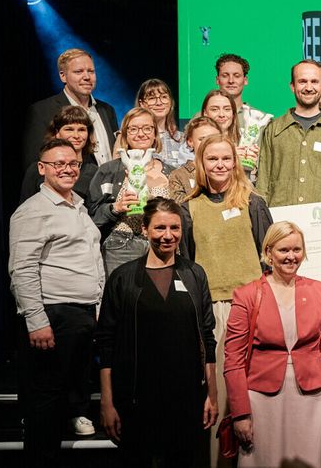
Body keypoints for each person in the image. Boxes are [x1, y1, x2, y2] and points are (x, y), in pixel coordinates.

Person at [96, 197, 217, 467]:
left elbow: (207, 337)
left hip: (185, 398)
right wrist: (108, 402)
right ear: (145, 230)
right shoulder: (123, 278)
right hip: (137, 399)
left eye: (174, 228)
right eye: (160, 228)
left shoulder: (195, 275)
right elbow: (106, 344)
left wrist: (212, 395)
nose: (167, 236)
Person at [9, 138, 105, 465]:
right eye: (58, 164)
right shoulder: (34, 210)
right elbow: (21, 269)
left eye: (73, 163)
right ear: (42, 169)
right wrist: (36, 321)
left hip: (79, 316)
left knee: (64, 401)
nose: (67, 169)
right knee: (45, 404)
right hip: (53, 316)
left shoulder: (77, 204)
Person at [180, 133, 272, 463]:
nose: (220, 164)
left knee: (257, 392)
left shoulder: (253, 202)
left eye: (226, 158)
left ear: (236, 163)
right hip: (214, 309)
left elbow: (269, 256)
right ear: (201, 165)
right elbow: (187, 264)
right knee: (219, 394)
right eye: (212, 159)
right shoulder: (188, 209)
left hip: (253, 307)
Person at [224, 221, 321, 467]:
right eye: (284, 250)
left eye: (297, 250)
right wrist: (240, 413)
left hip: (313, 400)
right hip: (262, 400)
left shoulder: (318, 291)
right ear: (268, 253)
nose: (291, 257)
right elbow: (233, 359)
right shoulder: (246, 295)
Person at [255, 60, 321, 213]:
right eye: (302, 81)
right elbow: (262, 182)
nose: (309, 88)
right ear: (292, 86)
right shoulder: (273, 129)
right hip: (281, 224)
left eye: (314, 82)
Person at [88, 107, 177, 276]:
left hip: (163, 244)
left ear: (155, 134)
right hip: (122, 246)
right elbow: (92, 216)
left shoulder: (171, 172)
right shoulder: (109, 171)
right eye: (133, 129)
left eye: (147, 128)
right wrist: (115, 208)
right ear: (125, 134)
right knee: (123, 300)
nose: (141, 134)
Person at [22, 48, 118, 168]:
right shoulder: (42, 111)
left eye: (91, 71)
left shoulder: (107, 110)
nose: (87, 77)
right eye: (79, 72)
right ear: (63, 76)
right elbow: (34, 164)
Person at [20, 106, 100, 204]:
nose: (76, 136)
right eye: (69, 129)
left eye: (81, 130)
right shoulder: (38, 169)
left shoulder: (94, 172)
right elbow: (26, 208)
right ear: (57, 133)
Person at [211, 53, 274, 149]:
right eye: (225, 75)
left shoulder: (261, 119)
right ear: (217, 80)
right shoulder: (202, 116)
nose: (231, 81)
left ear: (245, 80)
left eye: (236, 76)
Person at [136, 78, 188, 168]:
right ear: (142, 104)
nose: (159, 103)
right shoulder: (135, 137)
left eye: (164, 97)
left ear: (170, 102)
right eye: (152, 98)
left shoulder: (182, 139)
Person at [168, 117, 221, 203]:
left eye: (213, 139)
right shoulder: (179, 175)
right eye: (202, 139)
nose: (207, 143)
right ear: (190, 141)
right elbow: (179, 208)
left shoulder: (228, 170)